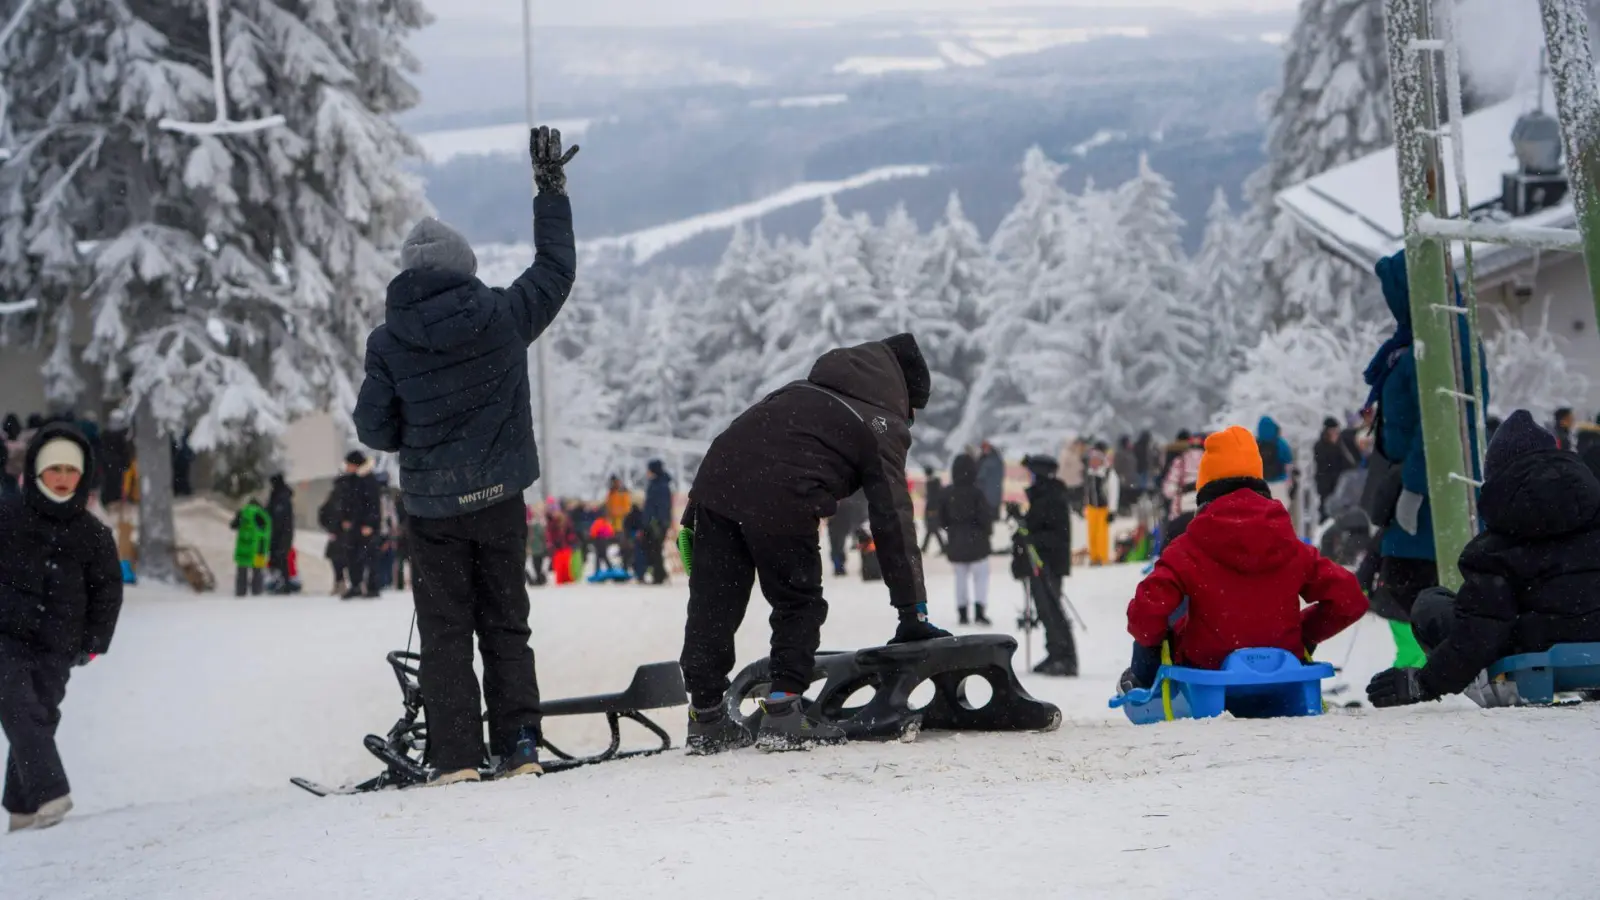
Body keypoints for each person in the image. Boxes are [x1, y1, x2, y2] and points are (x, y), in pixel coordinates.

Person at [351, 125, 578, 785]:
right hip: (499, 499)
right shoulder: (505, 315)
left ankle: (454, 757)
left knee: (445, 629)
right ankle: (520, 746)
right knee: (508, 622)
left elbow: (374, 430)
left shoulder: (388, 343)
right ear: (465, 266)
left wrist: (418, 432)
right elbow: (556, 271)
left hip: (433, 509)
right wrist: (550, 193)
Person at [678, 334, 948, 755]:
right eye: (913, 412)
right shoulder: (881, 422)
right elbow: (893, 518)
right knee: (797, 599)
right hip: (781, 491)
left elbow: (738, 439)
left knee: (716, 600)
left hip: (716, 480)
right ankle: (784, 713)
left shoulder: (800, 390)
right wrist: (912, 612)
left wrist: (694, 512)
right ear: (904, 396)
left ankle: (706, 717)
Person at [1367, 411, 1600, 708]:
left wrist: (1423, 682)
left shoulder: (1495, 547)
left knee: (1430, 603)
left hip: (1531, 648)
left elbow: (1479, 633)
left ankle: (1495, 691)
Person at [1122, 427, 1367, 692]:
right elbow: (1350, 599)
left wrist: (1155, 647)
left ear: (1205, 486)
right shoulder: (1292, 547)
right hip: (1282, 671)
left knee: (1156, 623)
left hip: (1207, 673)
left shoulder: (1187, 549)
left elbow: (1145, 615)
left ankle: (1142, 685)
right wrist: (1304, 633)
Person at [0, 423, 124, 831]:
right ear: (36, 470)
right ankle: (51, 793)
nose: (63, 478)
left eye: (71, 471)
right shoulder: (8, 518)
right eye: (55, 469)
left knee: (40, 716)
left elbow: (107, 593)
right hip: (7, 637)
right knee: (18, 707)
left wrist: (93, 642)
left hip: (58, 645)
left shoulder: (93, 535)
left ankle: (21, 812)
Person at [1364, 249, 1487, 658]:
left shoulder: (1446, 339)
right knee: (1402, 581)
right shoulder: (1418, 338)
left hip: (1431, 494)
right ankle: (1423, 663)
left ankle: (1431, 666)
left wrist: (1416, 485)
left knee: (1410, 582)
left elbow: (1448, 418)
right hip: (1410, 487)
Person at [1019, 454, 1078, 676]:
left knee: (1053, 609)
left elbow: (1050, 533)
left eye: (1032, 474)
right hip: (1043, 561)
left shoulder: (1051, 497)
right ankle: (1055, 652)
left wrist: (1027, 531)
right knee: (1045, 610)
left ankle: (1066, 657)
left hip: (1048, 563)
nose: (1030, 479)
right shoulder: (1045, 495)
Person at [939, 454, 993, 625]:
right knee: (981, 578)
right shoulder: (978, 493)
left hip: (956, 541)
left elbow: (942, 519)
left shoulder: (948, 493)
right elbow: (985, 517)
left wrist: (952, 530)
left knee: (960, 579)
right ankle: (979, 611)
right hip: (977, 541)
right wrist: (985, 532)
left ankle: (962, 613)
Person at [330, 452, 381, 600]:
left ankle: (373, 587)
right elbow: (347, 502)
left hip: (366, 526)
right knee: (352, 556)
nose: (347, 467)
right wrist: (345, 519)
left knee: (370, 556)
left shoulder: (369, 480)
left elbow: (373, 504)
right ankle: (356, 585)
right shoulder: (350, 480)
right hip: (353, 525)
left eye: (349, 464)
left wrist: (370, 524)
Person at [1313, 417, 1358, 522]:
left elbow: (1348, 463)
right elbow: (1324, 467)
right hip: (1327, 486)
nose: (1335, 434)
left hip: (1342, 484)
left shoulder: (1341, 445)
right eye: (1332, 431)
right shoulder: (1321, 447)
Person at [1083, 442, 1119, 567]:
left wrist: (1112, 510)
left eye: (1096, 460)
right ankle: (1094, 557)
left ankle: (1103, 558)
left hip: (1103, 508)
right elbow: (1087, 491)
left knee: (1102, 534)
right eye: (1091, 460)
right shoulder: (1089, 474)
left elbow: (1113, 492)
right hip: (1091, 508)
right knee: (1091, 534)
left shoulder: (1108, 474)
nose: (1093, 462)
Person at [230, 497, 272, 598]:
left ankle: (240, 593)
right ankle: (256, 593)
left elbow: (233, 526)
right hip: (259, 548)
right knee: (257, 572)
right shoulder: (261, 514)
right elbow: (266, 530)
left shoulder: (242, 513)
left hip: (243, 549)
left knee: (242, 572)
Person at [642, 460, 673, 585]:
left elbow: (662, 506)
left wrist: (659, 522)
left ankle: (659, 576)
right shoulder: (655, 484)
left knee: (655, 549)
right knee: (654, 549)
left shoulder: (660, 486)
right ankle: (660, 573)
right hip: (653, 523)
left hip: (657, 524)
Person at [265, 474, 296, 594]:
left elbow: (281, 517)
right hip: (279, 532)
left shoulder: (282, 498)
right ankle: (280, 582)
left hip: (282, 533)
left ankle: (284, 583)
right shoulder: (277, 496)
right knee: (277, 557)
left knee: (281, 558)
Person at [1255, 416, 1295, 509]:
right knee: (1280, 511)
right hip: (1279, 482)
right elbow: (1288, 463)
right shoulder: (1280, 443)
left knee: (1263, 511)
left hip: (1262, 484)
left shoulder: (1255, 444)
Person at [826, 491, 868, 577]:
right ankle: (867, 565)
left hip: (839, 516)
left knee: (836, 543)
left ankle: (839, 566)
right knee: (838, 543)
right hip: (845, 515)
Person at [920, 465, 946, 555]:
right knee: (932, 530)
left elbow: (931, 499)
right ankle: (942, 547)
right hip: (936, 509)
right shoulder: (937, 483)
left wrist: (928, 510)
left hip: (932, 510)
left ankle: (925, 548)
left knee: (932, 529)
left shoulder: (931, 484)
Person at [976, 440, 1005, 521]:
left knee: (987, 518)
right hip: (992, 493)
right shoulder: (996, 459)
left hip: (988, 494)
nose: (983, 450)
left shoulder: (989, 461)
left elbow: (980, 476)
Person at [1058, 438, 1086, 513]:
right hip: (1073, 483)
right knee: (1075, 501)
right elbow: (1079, 466)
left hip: (1070, 482)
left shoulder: (1067, 453)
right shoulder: (1070, 454)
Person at [1113, 436, 1139, 514]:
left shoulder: (1131, 453)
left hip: (1131, 477)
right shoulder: (1120, 454)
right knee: (1123, 494)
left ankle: (1128, 508)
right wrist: (1120, 475)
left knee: (1129, 493)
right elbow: (1117, 466)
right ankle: (1123, 510)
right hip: (1124, 478)